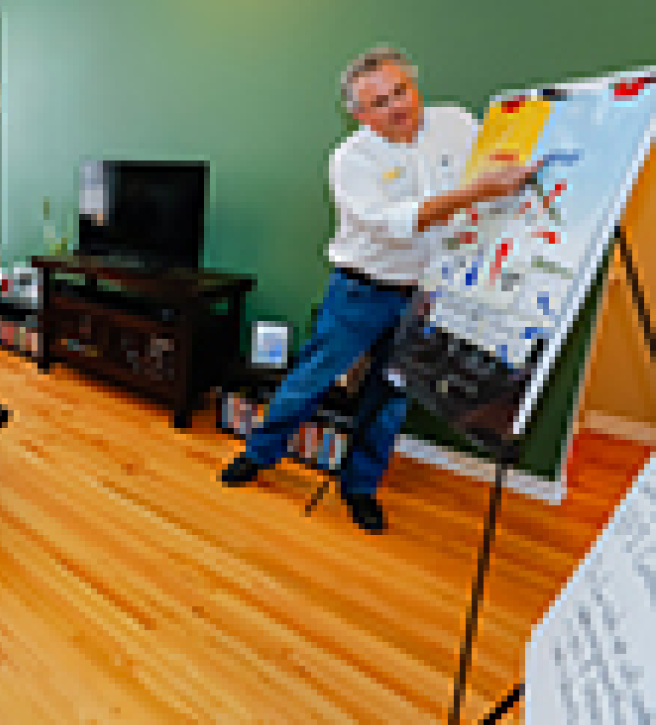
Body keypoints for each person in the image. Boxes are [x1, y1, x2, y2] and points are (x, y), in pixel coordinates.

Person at [218, 47, 539, 533]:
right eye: (381, 101)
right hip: (359, 293)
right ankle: (259, 455)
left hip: (425, 294)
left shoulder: (456, 123)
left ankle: (360, 487)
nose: (398, 107)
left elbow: (498, 167)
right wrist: (479, 193)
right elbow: (397, 224)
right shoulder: (351, 160)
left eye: (402, 91)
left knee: (391, 395)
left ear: (415, 86)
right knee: (310, 381)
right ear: (359, 114)